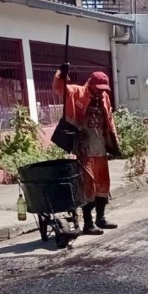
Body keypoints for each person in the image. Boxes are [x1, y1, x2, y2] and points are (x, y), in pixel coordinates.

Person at [53, 64, 121, 236]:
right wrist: (61, 74)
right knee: (88, 186)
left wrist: (114, 141)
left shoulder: (104, 97)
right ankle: (88, 223)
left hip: (100, 147)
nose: (100, 92)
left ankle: (101, 218)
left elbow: (110, 119)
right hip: (85, 148)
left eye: (103, 89)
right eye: (98, 88)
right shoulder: (77, 92)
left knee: (103, 184)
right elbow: (59, 88)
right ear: (90, 83)